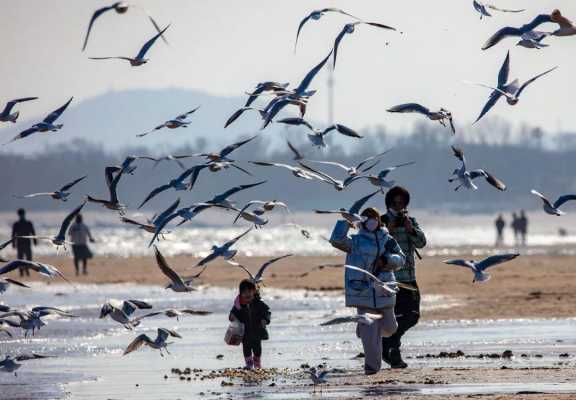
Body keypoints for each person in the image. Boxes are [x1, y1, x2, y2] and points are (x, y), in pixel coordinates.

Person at [330, 207, 406, 375]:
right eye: (368, 218)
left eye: (375, 218)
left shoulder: (388, 239)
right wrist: (346, 222)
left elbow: (401, 259)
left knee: (390, 328)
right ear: (362, 220)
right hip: (362, 290)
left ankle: (363, 328)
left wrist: (386, 260)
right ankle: (372, 367)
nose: (372, 221)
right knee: (371, 335)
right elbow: (335, 240)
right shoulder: (355, 241)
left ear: (379, 220)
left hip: (384, 289)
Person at [380, 186, 427, 369]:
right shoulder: (381, 221)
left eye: (402, 203)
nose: (398, 206)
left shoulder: (410, 221)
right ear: (389, 203)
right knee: (395, 317)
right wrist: (388, 230)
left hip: (409, 276)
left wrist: (410, 229)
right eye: (395, 203)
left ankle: (389, 344)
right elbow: (375, 246)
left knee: (413, 316)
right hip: (390, 278)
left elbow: (422, 243)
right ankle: (394, 354)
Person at [229, 279, 271, 369]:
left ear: (254, 291)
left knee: (257, 348)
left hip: (257, 330)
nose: (247, 294)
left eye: (249, 292)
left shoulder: (258, 303)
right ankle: (249, 364)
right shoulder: (238, 305)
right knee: (246, 348)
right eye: (244, 292)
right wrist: (232, 316)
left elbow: (266, 312)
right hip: (245, 332)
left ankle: (257, 363)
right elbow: (233, 313)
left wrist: (265, 319)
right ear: (241, 293)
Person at [11, 208, 37, 277]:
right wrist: (13, 243)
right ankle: (21, 272)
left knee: (28, 259)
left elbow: (33, 232)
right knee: (20, 259)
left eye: (22, 214)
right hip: (20, 244)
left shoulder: (28, 223)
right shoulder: (16, 224)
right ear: (19, 215)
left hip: (27, 243)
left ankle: (27, 270)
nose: (21, 216)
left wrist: (35, 241)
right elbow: (13, 234)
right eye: (20, 214)